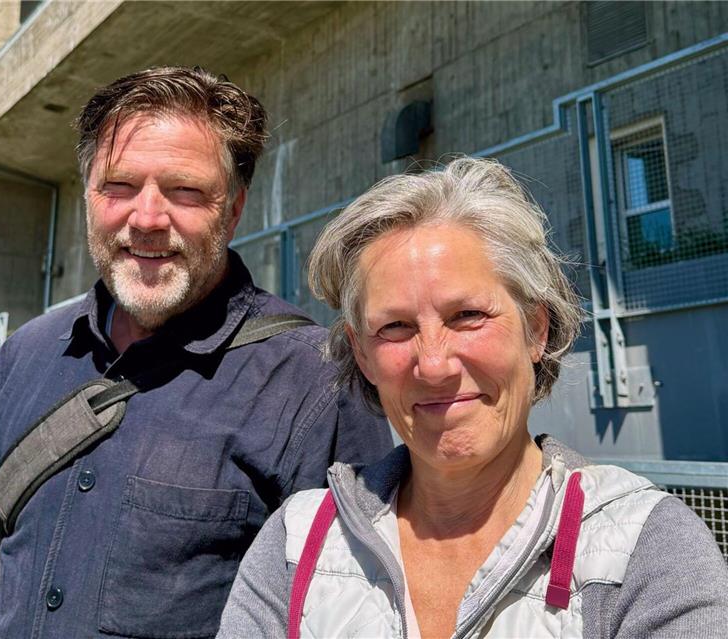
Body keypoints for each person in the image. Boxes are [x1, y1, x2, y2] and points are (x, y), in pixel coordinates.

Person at [0, 67, 391, 638]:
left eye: (185, 191)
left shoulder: (315, 385)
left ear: (232, 209)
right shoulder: (21, 359)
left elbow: (344, 617)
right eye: (119, 186)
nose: (148, 218)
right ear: (88, 196)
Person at [218, 157, 728, 638]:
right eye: (394, 327)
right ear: (362, 354)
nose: (435, 364)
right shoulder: (295, 545)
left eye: (467, 317)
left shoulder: (646, 549)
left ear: (535, 329)